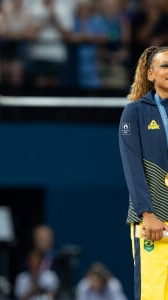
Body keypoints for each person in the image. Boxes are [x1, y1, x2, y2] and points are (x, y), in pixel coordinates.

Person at [119, 45, 168, 300]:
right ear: (150, 74)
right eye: (165, 65)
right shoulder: (135, 112)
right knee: (153, 295)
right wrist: (146, 213)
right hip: (154, 222)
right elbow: (132, 165)